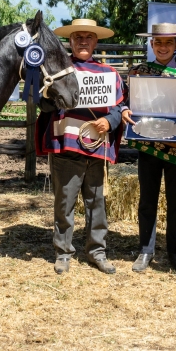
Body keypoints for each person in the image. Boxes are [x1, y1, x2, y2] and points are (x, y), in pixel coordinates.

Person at [36, 19, 124, 275]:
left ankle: (97, 251)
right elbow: (43, 106)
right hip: (67, 145)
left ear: (96, 41)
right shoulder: (58, 71)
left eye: (88, 37)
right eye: (78, 37)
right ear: (70, 41)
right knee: (64, 203)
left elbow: (120, 106)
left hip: (97, 147)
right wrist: (52, 96)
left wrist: (109, 120)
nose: (83, 41)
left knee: (97, 203)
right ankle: (63, 252)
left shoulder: (110, 74)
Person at [120, 23, 176, 273]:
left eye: (168, 42)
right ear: (151, 44)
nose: (163, 47)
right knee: (147, 200)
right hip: (148, 145)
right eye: (158, 42)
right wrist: (125, 110)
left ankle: (175, 253)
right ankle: (145, 250)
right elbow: (125, 101)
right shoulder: (138, 71)